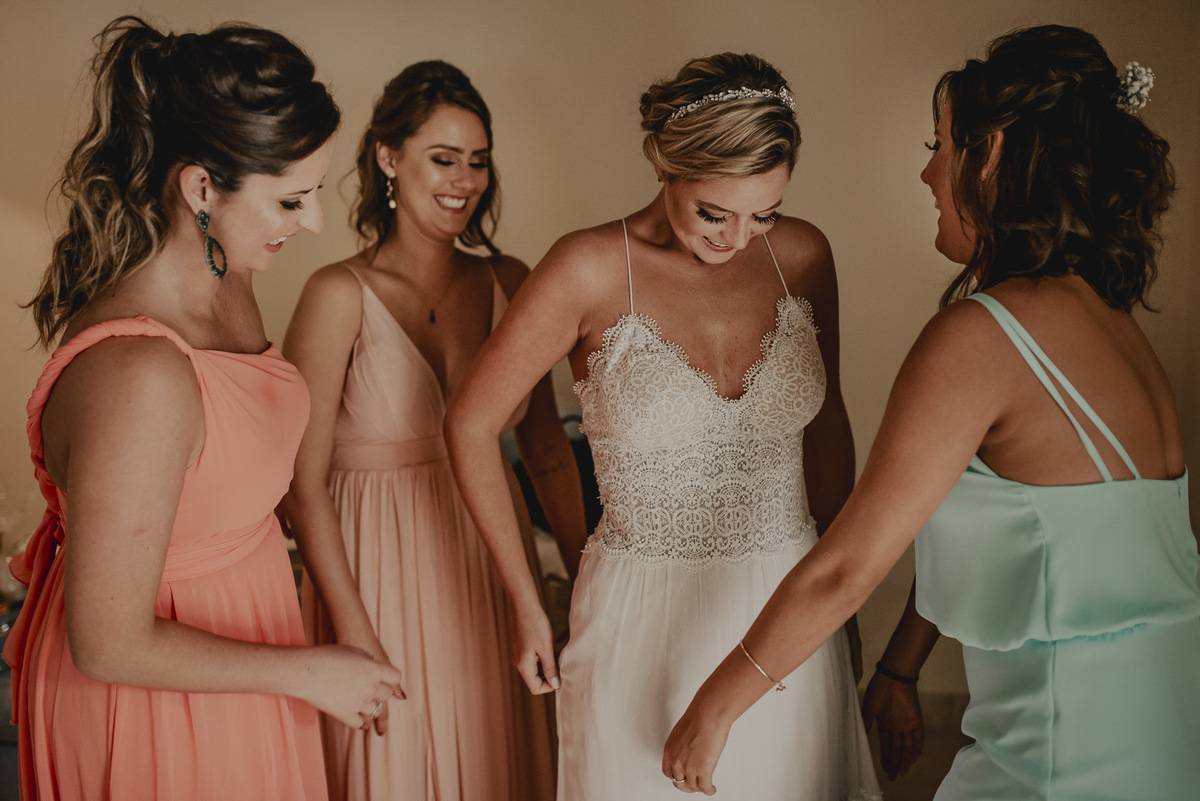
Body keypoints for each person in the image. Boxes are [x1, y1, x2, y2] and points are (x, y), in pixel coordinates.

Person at [663, 24, 1200, 799]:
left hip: (1061, 759)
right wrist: (899, 667)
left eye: (939, 143)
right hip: (1163, 740)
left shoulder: (982, 336)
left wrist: (714, 708)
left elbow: (849, 565)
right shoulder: (1112, 325)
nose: (926, 172)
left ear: (993, 152)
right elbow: (1011, 539)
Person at [445, 53, 881, 800]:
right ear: (662, 163)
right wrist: (526, 600)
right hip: (639, 614)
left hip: (787, 595)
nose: (738, 238)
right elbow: (470, 424)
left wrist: (838, 598)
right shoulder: (586, 268)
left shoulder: (802, 256)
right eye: (715, 211)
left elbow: (827, 422)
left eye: (763, 212)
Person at [6, 16, 404, 801]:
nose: (314, 222)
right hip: (153, 698)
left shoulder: (228, 281)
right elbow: (108, 643)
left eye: (313, 193)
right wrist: (309, 671)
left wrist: (345, 628)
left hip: (249, 645)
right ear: (200, 189)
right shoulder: (141, 375)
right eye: (291, 199)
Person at [281, 60, 585, 801]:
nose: (465, 179)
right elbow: (301, 483)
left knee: (496, 761)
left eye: (478, 160)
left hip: (492, 564)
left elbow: (545, 452)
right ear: (388, 158)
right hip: (375, 573)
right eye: (443, 158)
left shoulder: (510, 280)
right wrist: (353, 627)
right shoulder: (336, 295)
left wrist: (582, 584)